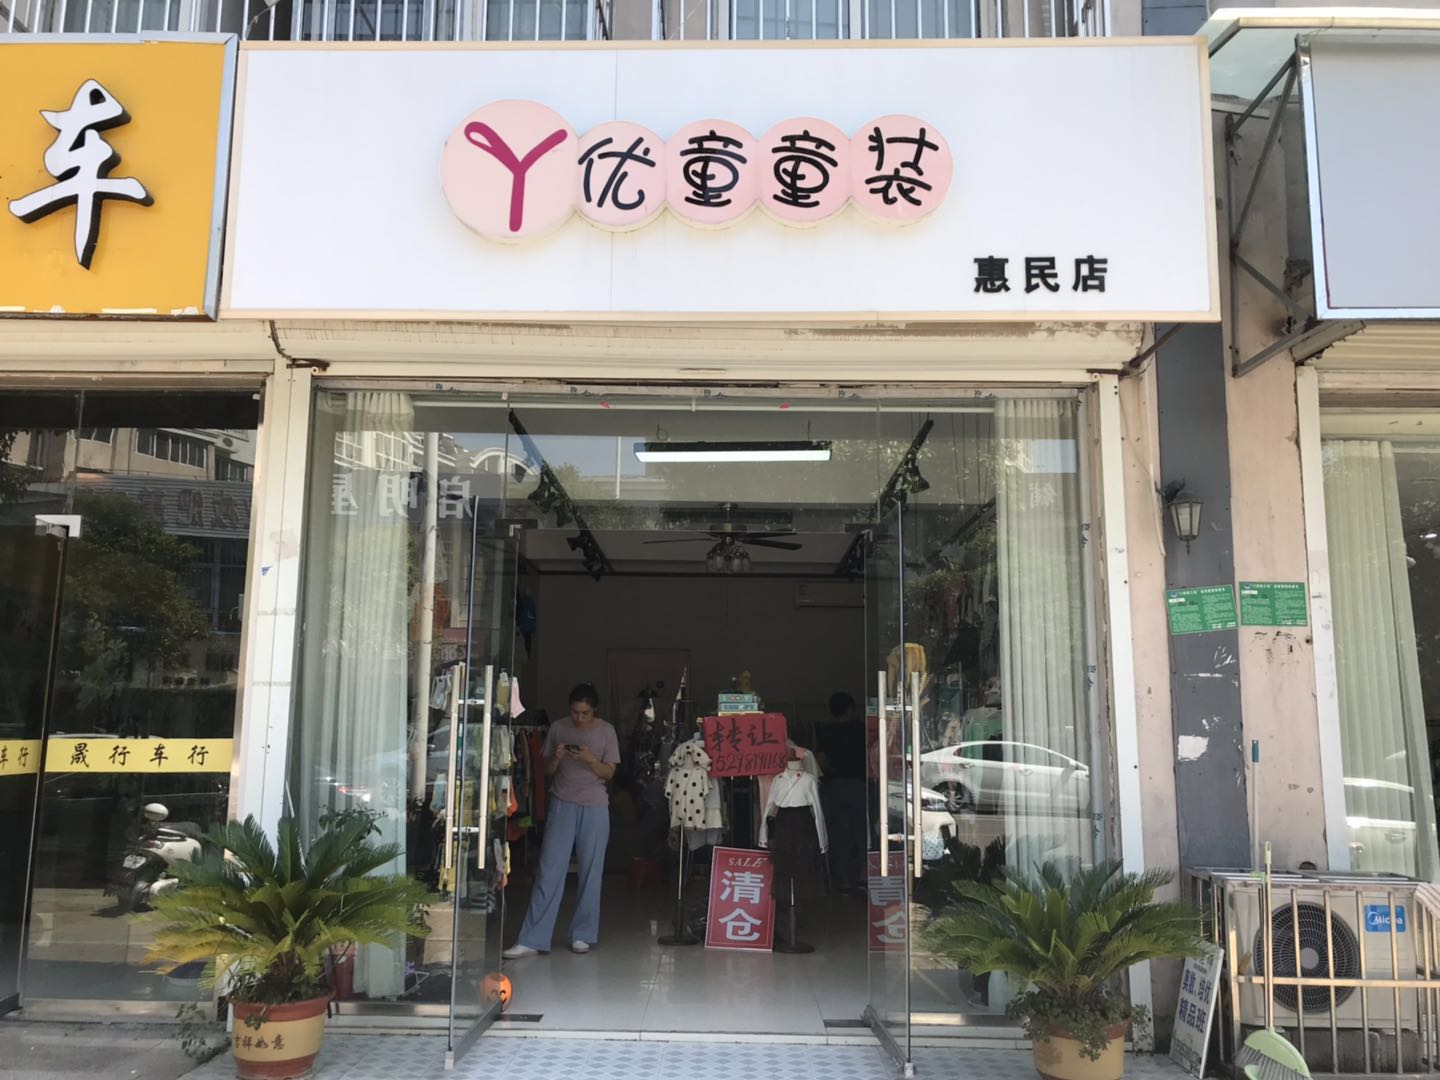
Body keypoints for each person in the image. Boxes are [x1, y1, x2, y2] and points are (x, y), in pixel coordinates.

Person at [504, 683, 620, 957]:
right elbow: (546, 771)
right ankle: (532, 939)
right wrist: (556, 758)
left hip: (595, 807)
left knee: (591, 872)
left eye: (585, 713)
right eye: (575, 712)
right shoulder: (558, 728)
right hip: (562, 803)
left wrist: (590, 759)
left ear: (595, 710)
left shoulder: (607, 731)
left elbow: (609, 773)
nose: (579, 718)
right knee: (549, 870)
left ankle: (583, 934)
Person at [816, 691, 867, 893]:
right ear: (850, 709)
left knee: (839, 832)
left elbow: (821, 761)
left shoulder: (825, 732)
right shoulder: (861, 730)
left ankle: (844, 878)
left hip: (835, 785)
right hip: (858, 784)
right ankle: (864, 873)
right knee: (862, 831)